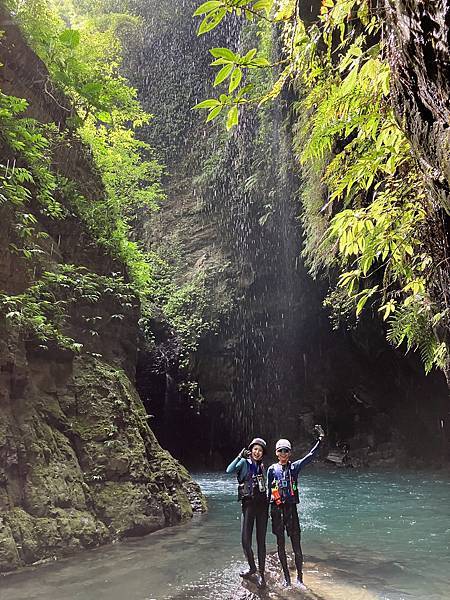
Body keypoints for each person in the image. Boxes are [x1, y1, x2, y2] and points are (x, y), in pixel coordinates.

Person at [267, 425, 325, 589]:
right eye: (280, 451)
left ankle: (300, 578)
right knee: (280, 544)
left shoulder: (295, 467)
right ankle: (287, 579)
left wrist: (320, 440)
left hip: (291, 509)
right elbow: (267, 491)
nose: (283, 454)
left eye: (286, 451)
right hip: (277, 510)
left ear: (290, 453)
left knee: (296, 544)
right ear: (276, 453)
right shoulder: (272, 469)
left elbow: (311, 456)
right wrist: (264, 512)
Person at [226, 437, 268, 588]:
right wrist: (239, 456)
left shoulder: (262, 467)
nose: (257, 452)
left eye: (260, 450)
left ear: (262, 454)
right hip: (248, 505)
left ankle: (262, 574)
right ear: (250, 451)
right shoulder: (244, 463)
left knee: (261, 541)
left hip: (263, 506)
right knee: (245, 540)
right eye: (255, 449)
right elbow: (229, 470)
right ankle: (252, 567)